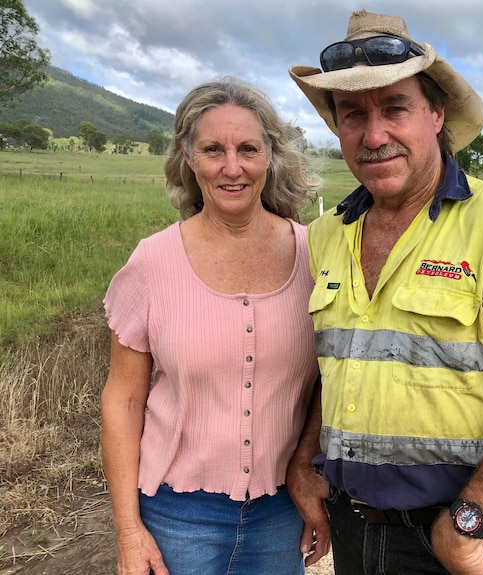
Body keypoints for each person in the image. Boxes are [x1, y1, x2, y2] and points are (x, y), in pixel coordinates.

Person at [286, 10, 483, 575]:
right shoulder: (327, 235)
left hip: (448, 541)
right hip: (350, 529)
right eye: (353, 115)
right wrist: (306, 460)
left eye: (394, 108)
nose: (374, 136)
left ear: (435, 114)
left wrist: (467, 521)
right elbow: (345, 363)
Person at [100, 77, 322, 575]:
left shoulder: (316, 257)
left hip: (281, 513)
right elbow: (124, 399)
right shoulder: (152, 263)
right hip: (176, 515)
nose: (231, 167)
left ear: (270, 154)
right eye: (212, 149)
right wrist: (128, 532)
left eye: (248, 148)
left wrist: (308, 479)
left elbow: (329, 383)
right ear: (187, 155)